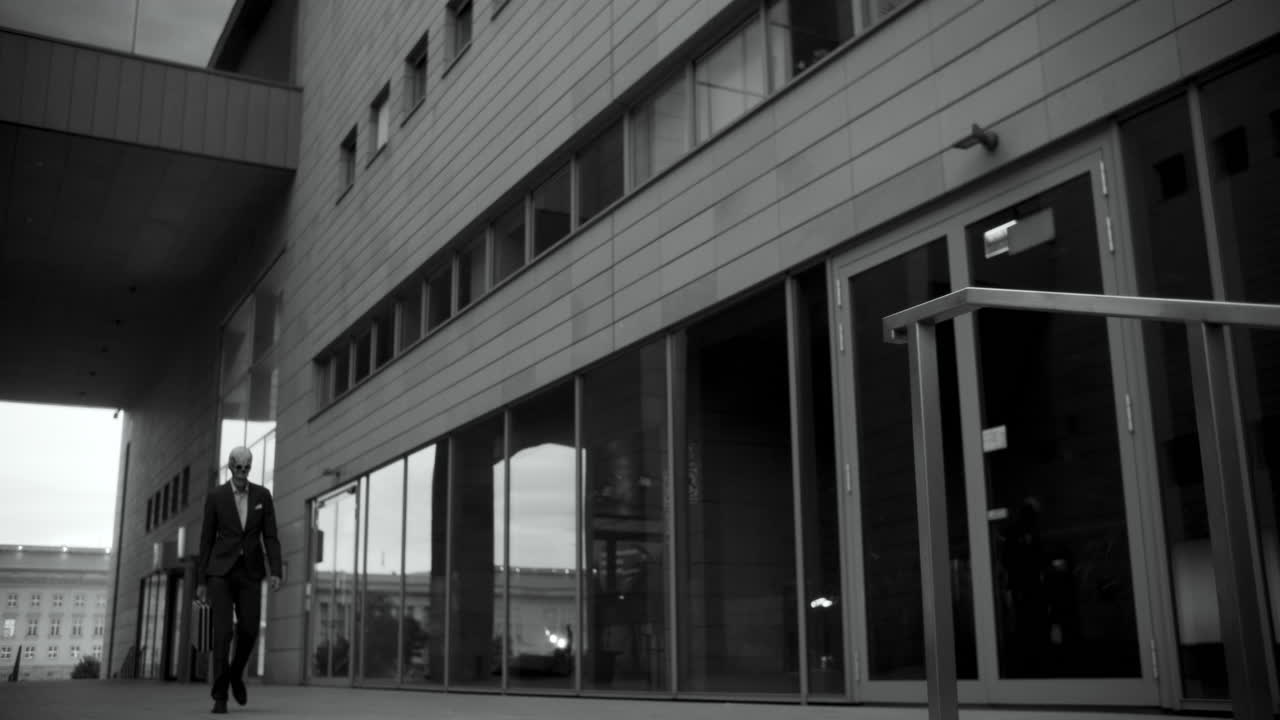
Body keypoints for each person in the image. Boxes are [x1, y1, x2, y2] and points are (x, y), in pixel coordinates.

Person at [197, 446, 282, 714]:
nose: (243, 473)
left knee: (250, 629)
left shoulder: (262, 496)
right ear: (230, 467)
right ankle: (220, 696)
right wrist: (201, 580)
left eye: (247, 467)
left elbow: (270, 536)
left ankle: (235, 674)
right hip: (220, 572)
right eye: (239, 467)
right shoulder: (216, 497)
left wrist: (276, 569)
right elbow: (206, 539)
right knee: (222, 634)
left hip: (250, 572)